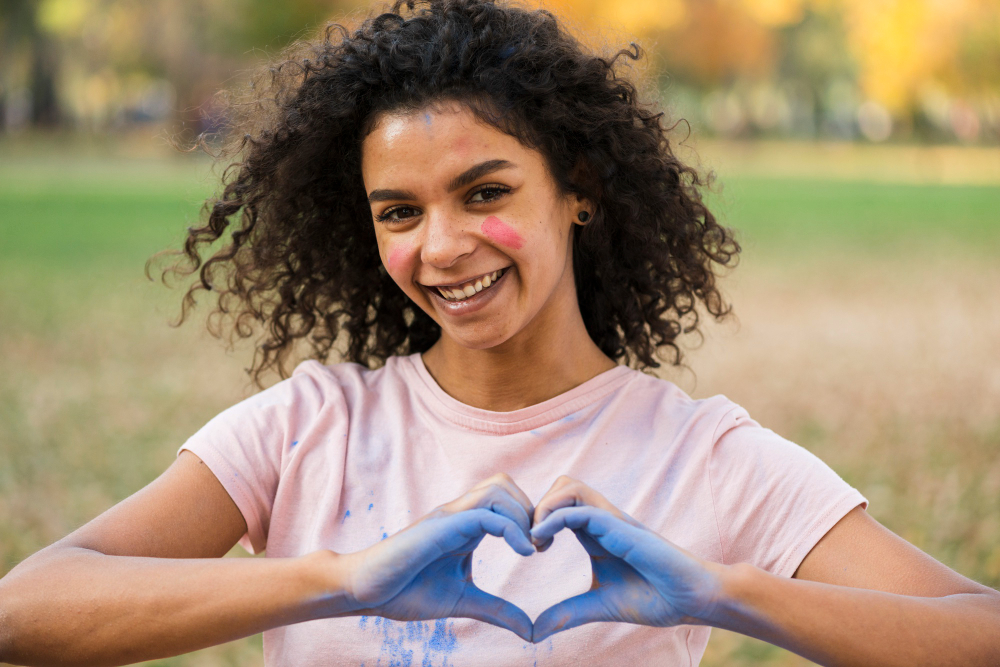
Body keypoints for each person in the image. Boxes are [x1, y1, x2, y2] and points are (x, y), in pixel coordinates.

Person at [1, 0, 998, 665]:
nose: (442, 246)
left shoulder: (704, 453)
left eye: (484, 192)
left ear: (579, 192)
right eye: (399, 211)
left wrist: (718, 592)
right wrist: (342, 583)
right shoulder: (314, 423)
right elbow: (26, 609)